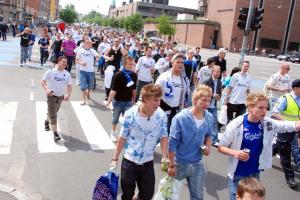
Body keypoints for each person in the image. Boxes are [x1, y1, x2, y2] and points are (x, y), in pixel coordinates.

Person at [218, 93, 300, 200]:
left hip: (254, 173)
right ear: (251, 107)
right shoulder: (236, 124)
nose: (264, 111)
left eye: (266, 107)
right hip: (238, 175)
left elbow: (288, 125)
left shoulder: (266, 123)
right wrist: (235, 153)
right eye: (260, 107)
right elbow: (221, 146)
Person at [110, 84, 168, 200]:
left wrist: (164, 156)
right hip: (129, 162)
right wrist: (115, 158)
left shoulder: (161, 115)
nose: (158, 103)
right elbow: (122, 137)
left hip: (147, 162)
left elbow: (163, 136)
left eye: (159, 100)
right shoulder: (130, 114)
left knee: (147, 194)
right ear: (145, 99)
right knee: (127, 194)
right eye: (155, 100)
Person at [168, 85, 213, 200]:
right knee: (168, 196)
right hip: (179, 164)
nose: (207, 103)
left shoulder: (209, 117)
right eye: (204, 100)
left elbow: (208, 134)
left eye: (209, 100)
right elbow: (172, 143)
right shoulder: (180, 118)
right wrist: (171, 164)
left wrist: (207, 147)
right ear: (195, 99)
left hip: (198, 164)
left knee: (197, 197)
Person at [272, 79, 300, 189]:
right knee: (285, 154)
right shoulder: (285, 98)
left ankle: (263, 155)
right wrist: (288, 123)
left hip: (295, 129)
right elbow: (275, 112)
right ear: (295, 88)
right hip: (284, 129)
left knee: (279, 147)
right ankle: (290, 178)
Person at [155, 53, 190, 132]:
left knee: (172, 135)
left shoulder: (185, 79)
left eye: (182, 63)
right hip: (163, 111)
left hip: (177, 112)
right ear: (172, 63)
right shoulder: (164, 77)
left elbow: (186, 96)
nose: (180, 64)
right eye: (178, 62)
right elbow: (155, 93)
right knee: (159, 134)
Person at [106, 55, 137, 142]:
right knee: (115, 118)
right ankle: (113, 132)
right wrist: (109, 101)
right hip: (118, 101)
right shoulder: (118, 75)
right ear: (124, 64)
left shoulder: (134, 75)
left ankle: (124, 135)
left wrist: (134, 101)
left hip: (128, 101)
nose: (131, 66)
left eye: (132, 64)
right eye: (129, 64)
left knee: (128, 120)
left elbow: (134, 90)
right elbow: (113, 90)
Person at [41, 56, 72, 142]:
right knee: (53, 115)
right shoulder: (50, 72)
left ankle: (46, 121)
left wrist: (67, 94)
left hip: (60, 97)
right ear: (58, 62)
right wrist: (47, 89)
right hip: (51, 96)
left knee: (54, 111)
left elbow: (69, 86)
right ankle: (55, 134)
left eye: (66, 62)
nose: (65, 64)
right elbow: (43, 82)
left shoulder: (67, 74)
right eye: (63, 62)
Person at [76, 39, 98, 105]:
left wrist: (97, 58)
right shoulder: (80, 51)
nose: (89, 44)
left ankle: (88, 93)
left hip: (90, 71)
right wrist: (81, 63)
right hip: (83, 70)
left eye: (90, 43)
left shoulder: (93, 51)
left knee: (90, 86)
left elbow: (96, 56)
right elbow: (76, 60)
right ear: (85, 44)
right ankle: (84, 100)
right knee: (83, 86)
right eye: (88, 43)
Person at [204, 65, 222, 145]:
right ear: (213, 72)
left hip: (213, 106)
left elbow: (219, 94)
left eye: (219, 71)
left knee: (214, 122)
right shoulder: (207, 81)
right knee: (204, 122)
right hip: (206, 106)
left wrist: (219, 97)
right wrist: (212, 95)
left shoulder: (219, 82)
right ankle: (202, 138)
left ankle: (214, 140)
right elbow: (203, 94)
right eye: (217, 71)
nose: (219, 73)